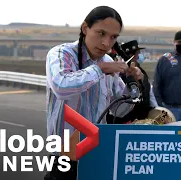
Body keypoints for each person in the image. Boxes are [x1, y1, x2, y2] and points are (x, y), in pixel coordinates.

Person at [44, 6, 143, 180]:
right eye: (101, 33)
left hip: (96, 154)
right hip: (64, 156)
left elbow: (119, 110)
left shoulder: (107, 61)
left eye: (113, 37)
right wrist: (99, 69)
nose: (106, 43)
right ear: (85, 29)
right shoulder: (61, 54)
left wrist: (133, 84)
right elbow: (61, 86)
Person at [106, 40, 158, 124]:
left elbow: (149, 91)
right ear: (130, 55)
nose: (139, 56)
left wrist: (155, 108)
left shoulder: (141, 72)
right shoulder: (121, 74)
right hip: (126, 120)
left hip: (143, 117)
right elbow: (119, 100)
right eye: (137, 53)